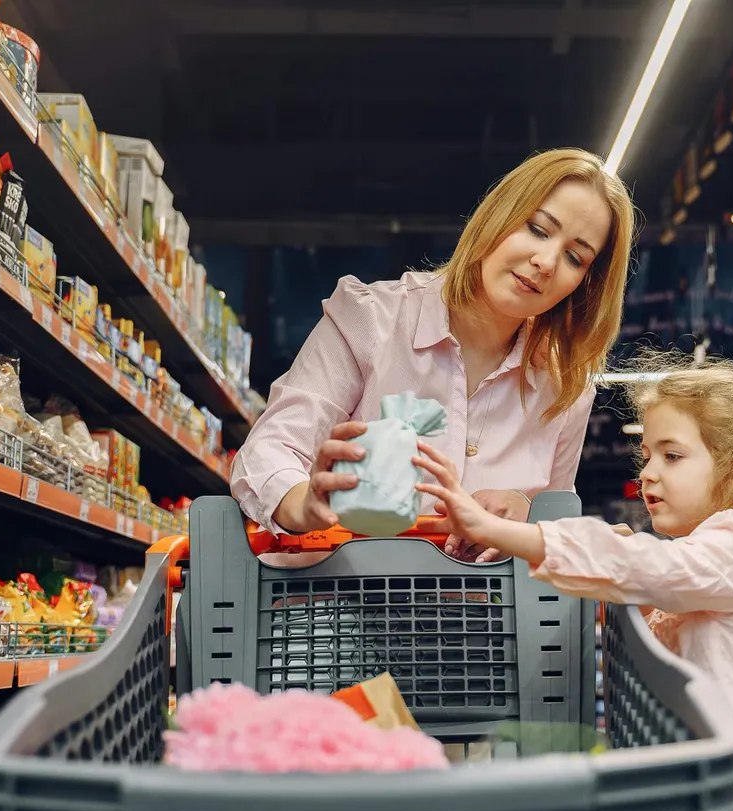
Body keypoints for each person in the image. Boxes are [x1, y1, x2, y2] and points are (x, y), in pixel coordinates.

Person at [410, 360, 733, 811]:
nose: (648, 472)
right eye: (647, 455)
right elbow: (681, 611)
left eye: (672, 456)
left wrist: (494, 530)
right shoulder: (731, 555)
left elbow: (638, 565)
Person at [231, 148, 635, 561]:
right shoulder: (371, 321)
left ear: (585, 284)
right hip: (343, 610)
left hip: (489, 621)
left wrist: (531, 519)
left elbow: (554, 524)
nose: (546, 262)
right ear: (499, 214)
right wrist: (305, 502)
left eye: (574, 257)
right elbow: (269, 450)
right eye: (537, 228)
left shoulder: (566, 384)